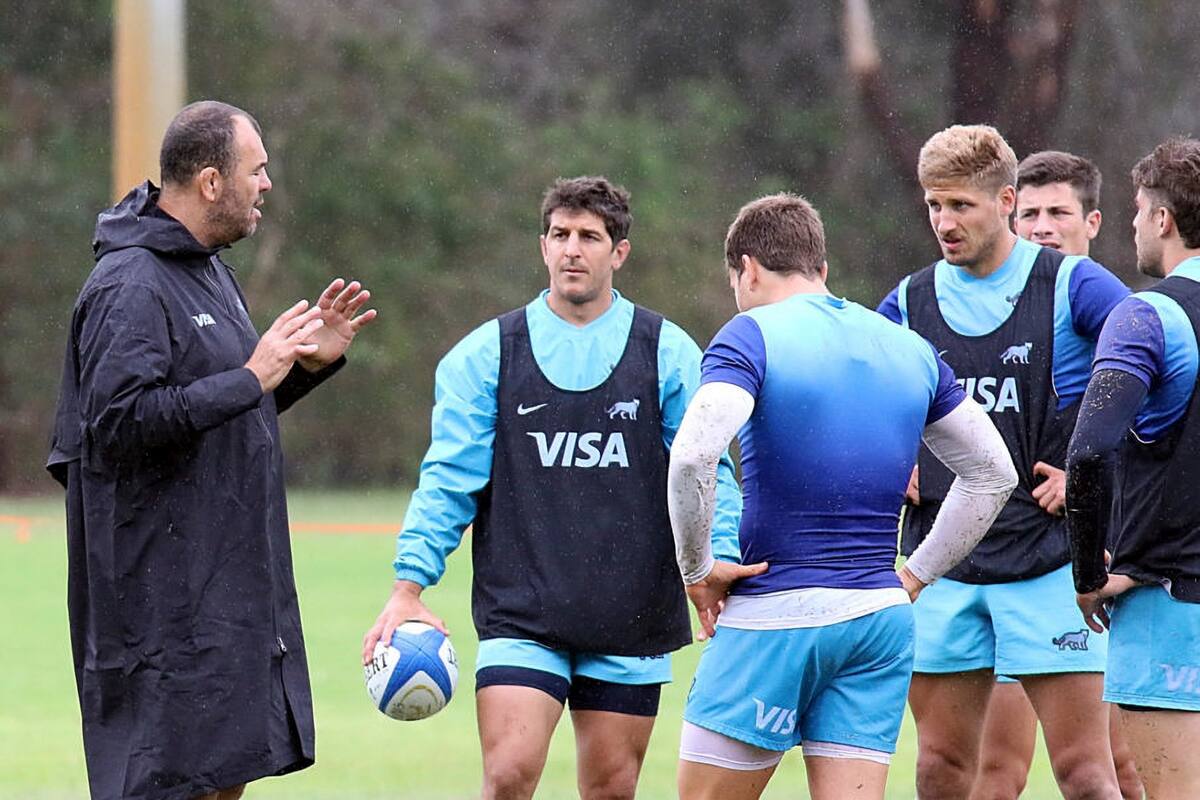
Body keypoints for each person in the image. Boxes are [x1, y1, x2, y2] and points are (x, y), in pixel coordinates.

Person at [361, 176, 744, 800]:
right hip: (524, 610)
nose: (573, 249)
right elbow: (448, 478)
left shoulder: (668, 352)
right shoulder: (486, 355)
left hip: (632, 610)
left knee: (612, 789)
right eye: (561, 235)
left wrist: (712, 559)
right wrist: (409, 585)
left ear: (618, 252)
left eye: (589, 237)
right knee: (509, 774)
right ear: (543, 246)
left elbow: (708, 473)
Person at [46, 100, 376, 800]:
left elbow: (222, 410)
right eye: (256, 171)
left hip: (222, 598)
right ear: (209, 182)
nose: (266, 185)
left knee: (226, 781)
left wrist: (302, 369)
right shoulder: (129, 283)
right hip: (161, 616)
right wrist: (251, 374)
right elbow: (118, 424)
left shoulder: (208, 271)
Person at [669, 193, 1017, 800]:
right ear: (820, 270)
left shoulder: (750, 334)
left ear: (747, 269)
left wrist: (697, 569)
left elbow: (696, 453)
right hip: (877, 621)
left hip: (775, 616)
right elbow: (994, 474)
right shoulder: (908, 347)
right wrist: (916, 575)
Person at [877, 125, 1129, 800]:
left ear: (1006, 201)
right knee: (940, 770)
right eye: (934, 205)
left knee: (1084, 773)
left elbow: (1159, 367)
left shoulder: (1072, 285)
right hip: (942, 568)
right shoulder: (908, 302)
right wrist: (888, 452)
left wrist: (1092, 473)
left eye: (960, 205)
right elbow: (861, 396)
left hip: (1048, 566)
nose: (944, 221)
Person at [970, 151, 1142, 800]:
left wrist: (1085, 477)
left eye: (1058, 213)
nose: (1042, 226)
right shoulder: (991, 306)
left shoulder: (1109, 310)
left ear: (1092, 221)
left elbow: (1160, 412)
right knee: (996, 774)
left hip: (1109, 560)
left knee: (1115, 768)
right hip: (1016, 566)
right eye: (1030, 212)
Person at [1068, 136, 1200, 799]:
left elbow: (1089, 451)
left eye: (1138, 209)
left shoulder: (1147, 316)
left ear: (1163, 219)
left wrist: (1089, 572)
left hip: (1173, 610)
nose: (1133, 224)